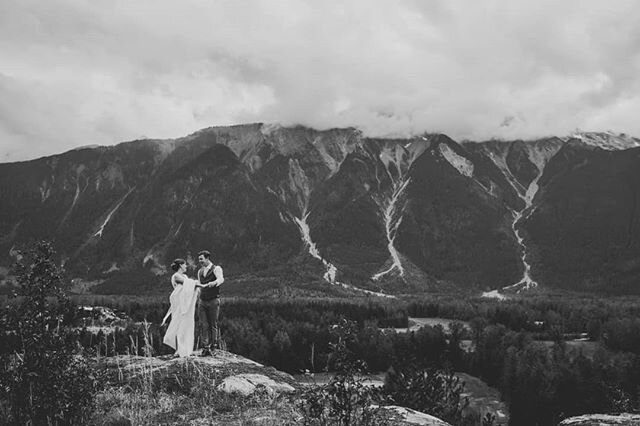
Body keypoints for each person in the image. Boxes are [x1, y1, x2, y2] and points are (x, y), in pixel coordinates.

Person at [161, 259, 202, 357]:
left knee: (185, 324)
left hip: (183, 301)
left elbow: (189, 287)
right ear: (180, 266)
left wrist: (195, 285)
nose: (186, 266)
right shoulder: (176, 276)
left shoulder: (184, 276)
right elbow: (187, 284)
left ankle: (184, 349)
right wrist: (202, 285)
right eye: (185, 265)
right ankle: (179, 349)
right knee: (179, 323)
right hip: (179, 302)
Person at [196, 250, 224, 356]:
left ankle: (213, 346)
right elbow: (199, 286)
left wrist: (214, 283)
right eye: (199, 259)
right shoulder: (199, 272)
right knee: (203, 324)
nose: (200, 261)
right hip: (202, 301)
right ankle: (205, 347)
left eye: (201, 259)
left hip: (213, 300)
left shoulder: (216, 269)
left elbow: (221, 279)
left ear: (207, 258)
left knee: (213, 324)